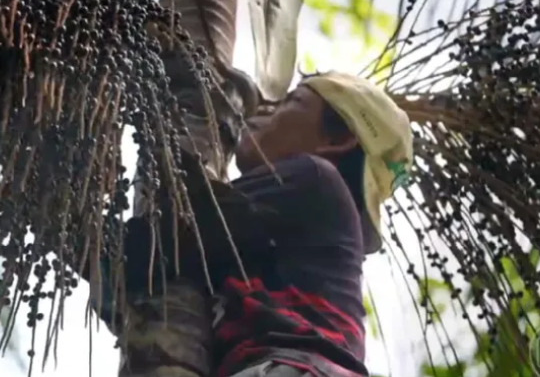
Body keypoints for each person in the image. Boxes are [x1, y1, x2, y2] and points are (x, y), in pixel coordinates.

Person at [106, 70, 413, 377]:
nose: (264, 111)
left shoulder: (316, 178)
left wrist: (183, 105)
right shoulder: (284, 231)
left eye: (292, 102)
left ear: (337, 139)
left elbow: (182, 225)